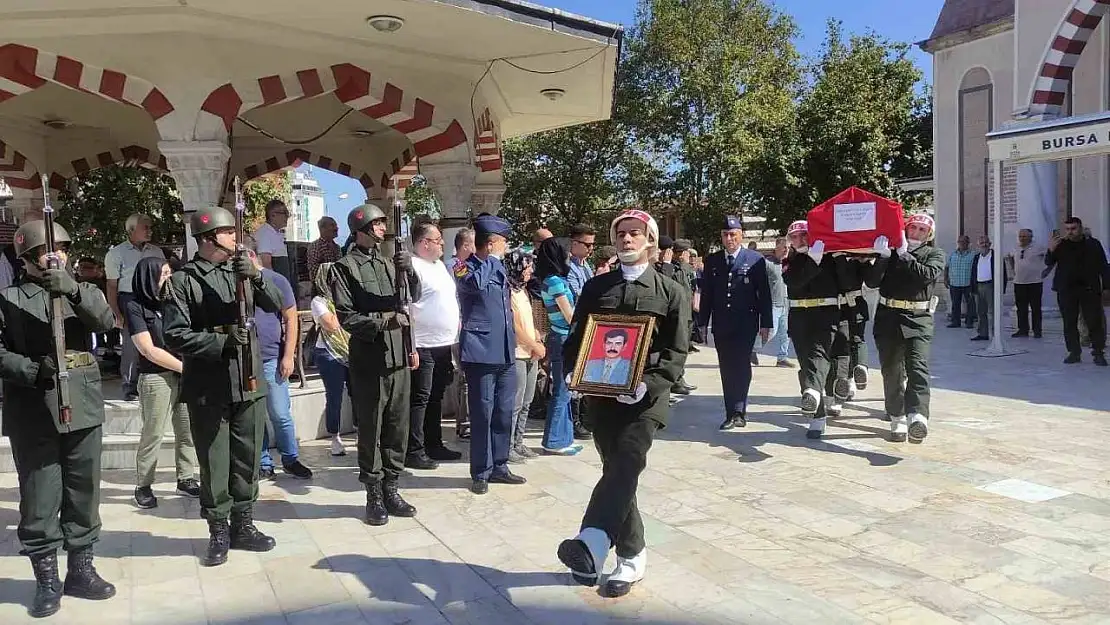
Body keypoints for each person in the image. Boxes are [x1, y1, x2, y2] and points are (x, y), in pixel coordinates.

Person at [557, 208, 689, 598]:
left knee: (628, 461)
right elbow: (577, 338)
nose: (627, 240)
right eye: (620, 234)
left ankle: (592, 541)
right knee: (617, 472)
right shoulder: (597, 288)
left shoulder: (671, 292)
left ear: (649, 239)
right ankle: (632, 555)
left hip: (645, 401)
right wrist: (572, 372)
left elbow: (676, 353)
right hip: (602, 397)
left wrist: (647, 384)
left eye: (635, 233)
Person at [0, 220, 117, 618]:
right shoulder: (7, 298)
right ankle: (47, 577)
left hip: (81, 402)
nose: (58, 256)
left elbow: (105, 321)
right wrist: (33, 370)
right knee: (40, 496)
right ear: (28, 258)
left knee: (84, 491)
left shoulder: (80, 292)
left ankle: (81, 570)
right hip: (33, 409)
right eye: (48, 251)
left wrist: (70, 288)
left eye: (63, 249)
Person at [163, 206, 285, 567]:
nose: (236, 237)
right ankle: (218, 529)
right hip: (209, 382)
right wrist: (221, 342)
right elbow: (174, 333)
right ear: (208, 238)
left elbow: (276, 305)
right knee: (215, 460)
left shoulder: (244, 270)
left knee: (247, 456)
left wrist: (258, 277)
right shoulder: (184, 281)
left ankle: (243, 524)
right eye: (228, 232)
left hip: (248, 379)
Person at [331, 202, 422, 525]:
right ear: (363, 229)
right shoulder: (344, 267)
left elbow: (412, 297)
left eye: (384, 223)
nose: (383, 229)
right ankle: (373, 492)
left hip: (398, 356)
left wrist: (408, 269)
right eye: (378, 224)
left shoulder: (388, 263)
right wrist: (385, 323)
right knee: (371, 427)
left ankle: (392, 488)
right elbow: (347, 317)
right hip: (370, 359)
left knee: (398, 426)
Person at [455, 214, 528, 494]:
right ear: (491, 243)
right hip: (481, 352)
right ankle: (481, 472)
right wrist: (491, 259)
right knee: (483, 413)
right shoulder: (465, 268)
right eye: (503, 242)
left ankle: (500, 465)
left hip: (505, 352)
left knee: (503, 413)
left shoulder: (498, 269)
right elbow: (474, 287)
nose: (506, 247)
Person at [128, 256, 200, 509]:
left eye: (170, 273)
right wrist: (185, 367)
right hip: (156, 377)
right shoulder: (136, 307)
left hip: (185, 375)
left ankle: (186, 477)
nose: (168, 279)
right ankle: (144, 484)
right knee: (153, 433)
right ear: (149, 278)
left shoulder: (177, 300)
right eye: (163, 274)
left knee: (187, 429)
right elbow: (148, 349)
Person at [866, 214, 945, 443]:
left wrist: (903, 254)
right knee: (892, 370)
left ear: (929, 235)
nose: (917, 233)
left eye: (922, 229)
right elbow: (872, 282)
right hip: (888, 316)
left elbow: (926, 275)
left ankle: (918, 415)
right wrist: (882, 257)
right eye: (913, 227)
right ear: (905, 228)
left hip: (918, 318)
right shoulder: (890, 252)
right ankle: (896, 415)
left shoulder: (934, 254)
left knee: (918, 367)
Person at [697, 216, 772, 430]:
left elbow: (764, 293)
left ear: (741, 235)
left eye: (733, 234)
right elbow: (707, 295)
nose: (729, 238)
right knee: (726, 367)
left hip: (746, 322)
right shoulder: (713, 261)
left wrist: (766, 323)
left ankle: (739, 410)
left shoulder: (755, 259)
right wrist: (702, 322)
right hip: (721, 323)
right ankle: (731, 412)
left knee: (740, 363)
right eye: (725, 234)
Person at [248, 245, 312, 480]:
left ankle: (290, 458)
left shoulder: (276, 280)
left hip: (271, 358)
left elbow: (291, 318)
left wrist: (288, 355)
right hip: (246, 360)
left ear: (252, 256)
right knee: (256, 415)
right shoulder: (235, 281)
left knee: (280, 413)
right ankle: (264, 462)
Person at [407, 222, 464, 469]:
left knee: (437, 395)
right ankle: (414, 448)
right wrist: (412, 347)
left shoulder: (439, 265)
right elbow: (406, 308)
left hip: (444, 343)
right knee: (421, 397)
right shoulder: (412, 267)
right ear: (424, 243)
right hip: (423, 344)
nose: (442, 243)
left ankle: (434, 443)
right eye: (438, 239)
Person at [781, 220, 840, 438]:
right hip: (799, 317)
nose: (799, 240)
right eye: (794, 237)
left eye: (803, 235)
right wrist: (813, 261)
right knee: (806, 364)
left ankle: (814, 400)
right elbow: (794, 282)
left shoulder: (829, 257)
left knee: (819, 356)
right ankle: (817, 414)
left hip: (825, 314)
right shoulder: (789, 261)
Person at [104, 213, 165, 401]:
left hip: (154, 298)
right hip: (129, 299)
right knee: (132, 345)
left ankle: (160, 377)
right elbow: (112, 285)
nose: (149, 231)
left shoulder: (156, 251)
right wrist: (115, 313)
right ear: (131, 230)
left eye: (150, 227)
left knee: (159, 338)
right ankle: (130, 386)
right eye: (144, 227)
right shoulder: (116, 253)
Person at [535, 237, 584, 456]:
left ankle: (563, 438)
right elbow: (568, 314)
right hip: (563, 337)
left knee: (565, 388)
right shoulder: (555, 281)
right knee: (563, 390)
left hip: (560, 336)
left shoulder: (550, 279)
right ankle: (554, 440)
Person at [1046, 216, 1108, 366]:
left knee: (1094, 321)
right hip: (1066, 290)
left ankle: (1098, 352)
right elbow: (1048, 263)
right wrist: (1051, 249)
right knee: (1069, 322)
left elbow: (1104, 267)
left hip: (1089, 289)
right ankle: (1074, 352)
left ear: (1080, 228)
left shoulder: (1093, 244)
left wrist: (1106, 287)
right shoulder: (1060, 245)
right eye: (1067, 229)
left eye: (1073, 229)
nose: (1070, 232)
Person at [505, 249, 544, 463]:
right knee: (516, 403)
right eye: (527, 266)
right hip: (518, 353)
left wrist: (537, 338)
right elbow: (514, 326)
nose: (530, 271)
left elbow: (529, 321)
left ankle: (519, 442)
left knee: (527, 400)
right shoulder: (508, 292)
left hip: (531, 352)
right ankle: (508, 446)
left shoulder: (523, 290)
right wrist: (532, 344)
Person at [308, 263, 351, 457]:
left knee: (359, 393)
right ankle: (335, 436)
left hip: (352, 351)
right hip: (329, 353)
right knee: (334, 397)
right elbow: (332, 324)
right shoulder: (319, 301)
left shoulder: (347, 296)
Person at [566, 224, 596, 441]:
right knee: (575, 375)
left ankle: (587, 415)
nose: (590, 249)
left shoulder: (587, 266)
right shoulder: (569, 268)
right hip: (575, 327)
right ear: (574, 243)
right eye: (586, 244)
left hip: (590, 326)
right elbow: (579, 295)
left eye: (593, 244)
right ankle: (575, 419)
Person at [653, 236, 694, 396]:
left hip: (685, 312)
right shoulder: (665, 267)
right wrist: (670, 264)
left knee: (681, 347)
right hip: (670, 315)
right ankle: (672, 383)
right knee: (670, 349)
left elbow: (688, 284)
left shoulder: (679, 267)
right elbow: (666, 283)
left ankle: (678, 379)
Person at [450, 228, 476, 440]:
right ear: (466, 246)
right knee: (466, 376)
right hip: (459, 329)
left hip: (467, 327)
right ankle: (466, 423)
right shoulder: (455, 267)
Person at [752, 237, 792, 368]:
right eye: (784, 247)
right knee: (770, 331)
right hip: (773, 303)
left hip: (786, 303)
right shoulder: (768, 263)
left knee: (785, 333)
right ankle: (752, 349)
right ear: (777, 248)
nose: (786, 249)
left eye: (788, 247)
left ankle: (782, 357)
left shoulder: (788, 264)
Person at [1005, 228, 1049, 339]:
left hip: (1034, 282)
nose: (1022, 239)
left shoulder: (1038, 247)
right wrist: (1013, 270)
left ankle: (1037, 330)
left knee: (1036, 308)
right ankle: (1023, 329)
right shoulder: (1015, 247)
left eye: (1024, 236)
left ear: (1030, 237)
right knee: (1021, 308)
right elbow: (1009, 257)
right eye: (1020, 236)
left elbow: (1050, 257)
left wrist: (1046, 271)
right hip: (1019, 282)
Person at [970, 235, 1006, 342]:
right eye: (981, 243)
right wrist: (973, 289)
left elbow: (1003, 273)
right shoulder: (977, 257)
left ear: (990, 244)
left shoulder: (996, 256)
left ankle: (996, 334)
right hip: (979, 286)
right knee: (981, 312)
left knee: (994, 312)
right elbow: (973, 273)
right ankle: (982, 333)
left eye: (986, 242)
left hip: (991, 286)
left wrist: (1001, 289)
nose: (984, 245)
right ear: (978, 245)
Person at [254, 199, 294, 286]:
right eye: (285, 213)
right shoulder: (265, 234)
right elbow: (265, 265)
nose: (287, 216)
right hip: (276, 289)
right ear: (273, 215)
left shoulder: (276, 234)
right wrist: (275, 289)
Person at [944, 235, 976, 329]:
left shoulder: (973, 255)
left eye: (964, 242)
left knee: (970, 304)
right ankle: (955, 322)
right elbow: (947, 267)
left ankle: (969, 322)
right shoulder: (952, 254)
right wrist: (946, 279)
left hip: (968, 283)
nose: (962, 243)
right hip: (955, 283)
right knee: (955, 303)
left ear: (968, 243)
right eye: (960, 242)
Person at [306, 215, 342, 280]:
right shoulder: (315, 246)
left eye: (336, 225)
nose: (336, 228)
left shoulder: (337, 247)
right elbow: (314, 271)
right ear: (322, 229)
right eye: (332, 225)